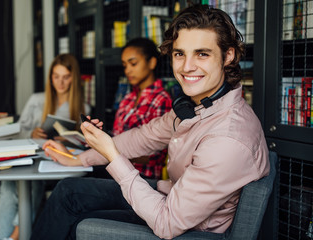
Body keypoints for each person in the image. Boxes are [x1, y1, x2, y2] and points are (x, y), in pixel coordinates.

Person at [31, 4, 270, 240]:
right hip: (168, 197)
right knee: (68, 191)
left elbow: (168, 223)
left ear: (228, 55)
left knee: (77, 222)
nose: (187, 67)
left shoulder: (227, 139)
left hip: (185, 229)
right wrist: (77, 160)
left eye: (202, 54)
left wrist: (113, 156)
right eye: (179, 54)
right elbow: (144, 137)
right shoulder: (196, 106)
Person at [0, 53, 89, 240]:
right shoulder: (37, 99)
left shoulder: (83, 107)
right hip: (31, 154)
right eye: (56, 76)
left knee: (34, 183)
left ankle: (15, 236)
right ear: (50, 77)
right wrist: (31, 133)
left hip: (58, 159)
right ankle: (6, 237)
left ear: (74, 78)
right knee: (8, 184)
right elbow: (17, 131)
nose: (60, 83)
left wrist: (66, 140)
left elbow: (84, 143)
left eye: (66, 77)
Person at [103, 37, 172, 179]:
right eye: (124, 65)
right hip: (116, 172)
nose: (128, 70)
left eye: (133, 63)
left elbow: (155, 156)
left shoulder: (161, 100)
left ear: (152, 62)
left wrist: (111, 150)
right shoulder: (127, 98)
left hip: (143, 179)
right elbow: (117, 136)